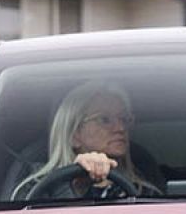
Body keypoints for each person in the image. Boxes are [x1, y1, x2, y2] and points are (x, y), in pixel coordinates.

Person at [13, 80, 161, 200]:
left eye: (124, 119)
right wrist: (75, 187)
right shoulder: (36, 189)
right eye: (104, 120)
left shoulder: (145, 192)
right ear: (74, 134)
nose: (121, 128)